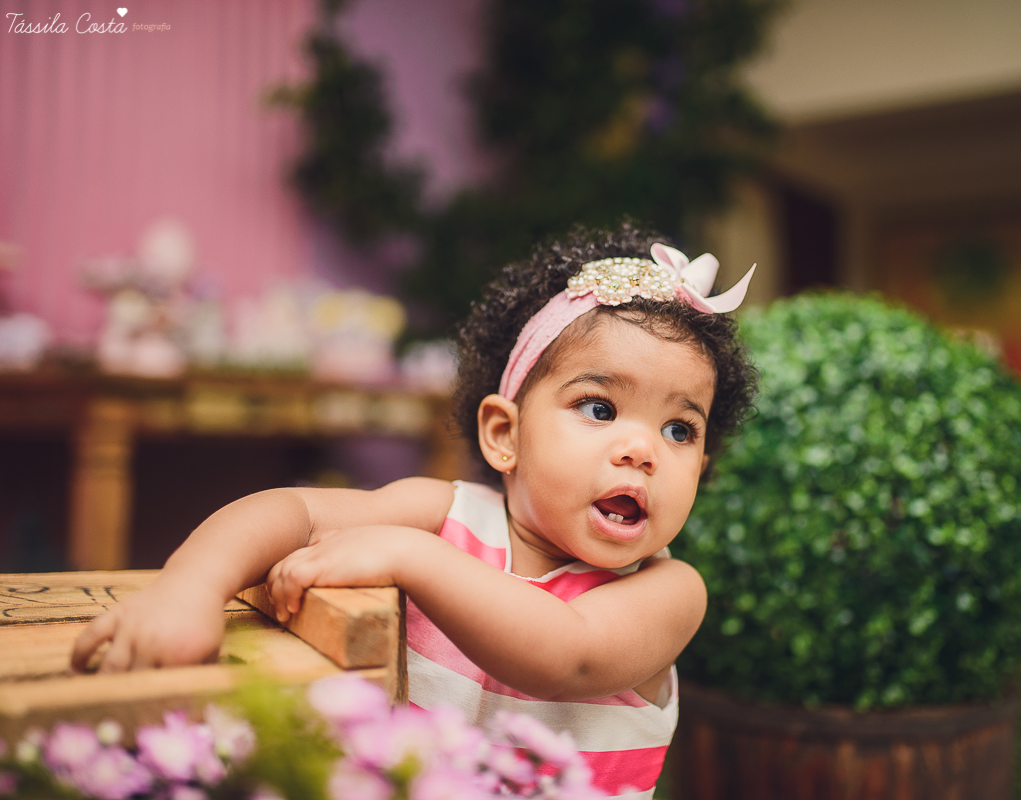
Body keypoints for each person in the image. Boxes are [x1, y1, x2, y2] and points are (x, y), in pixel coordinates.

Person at [71, 223, 758, 799]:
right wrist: (191, 588)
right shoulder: (446, 515)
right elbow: (290, 511)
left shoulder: (666, 592)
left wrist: (409, 556)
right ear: (504, 434)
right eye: (600, 408)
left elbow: (567, 656)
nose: (641, 449)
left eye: (679, 430)